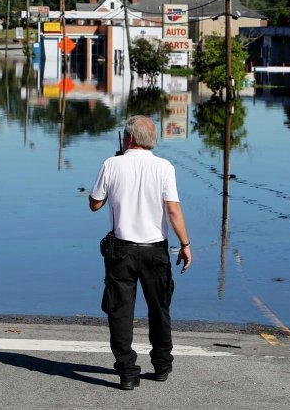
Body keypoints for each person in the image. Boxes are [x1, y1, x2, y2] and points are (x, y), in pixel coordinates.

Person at [88, 115, 192, 391]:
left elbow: (95, 204)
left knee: (120, 310)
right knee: (160, 308)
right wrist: (185, 244)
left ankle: (127, 372)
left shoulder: (111, 164)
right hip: (156, 251)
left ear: (129, 138)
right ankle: (161, 364)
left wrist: (112, 183)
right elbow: (172, 210)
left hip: (121, 251)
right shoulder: (164, 167)